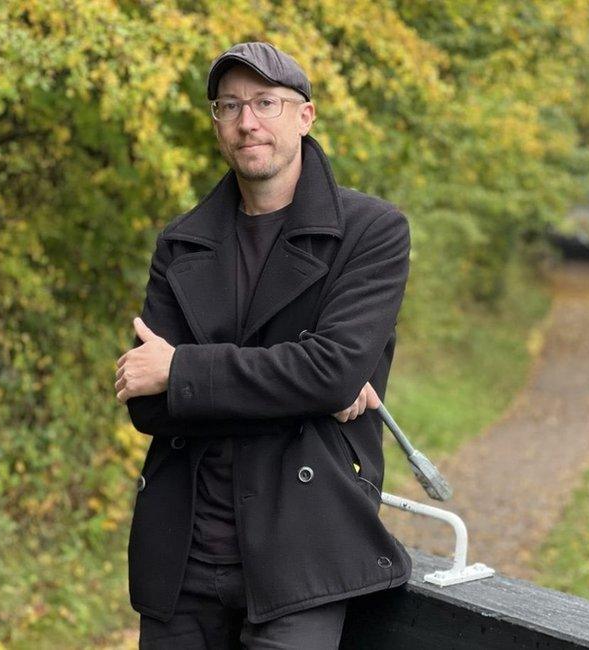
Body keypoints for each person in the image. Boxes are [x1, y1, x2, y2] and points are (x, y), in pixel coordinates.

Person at [114, 41, 413, 649]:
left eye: (266, 103)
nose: (247, 121)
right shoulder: (184, 241)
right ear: (218, 124)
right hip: (184, 559)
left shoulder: (371, 232)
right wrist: (299, 385)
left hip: (302, 555)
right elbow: (145, 401)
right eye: (229, 106)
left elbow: (330, 372)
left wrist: (185, 373)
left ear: (305, 117)